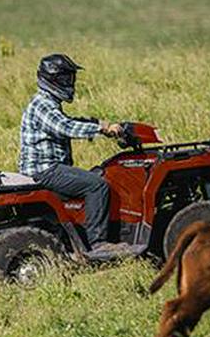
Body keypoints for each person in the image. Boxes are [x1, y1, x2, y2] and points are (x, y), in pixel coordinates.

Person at [18, 53, 130, 256]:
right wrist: (102, 129)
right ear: (54, 79)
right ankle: (98, 243)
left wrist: (98, 123)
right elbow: (65, 127)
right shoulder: (42, 105)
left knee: (99, 175)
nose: (70, 83)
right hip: (46, 171)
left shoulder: (48, 102)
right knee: (97, 185)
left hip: (48, 169)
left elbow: (67, 120)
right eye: (66, 78)